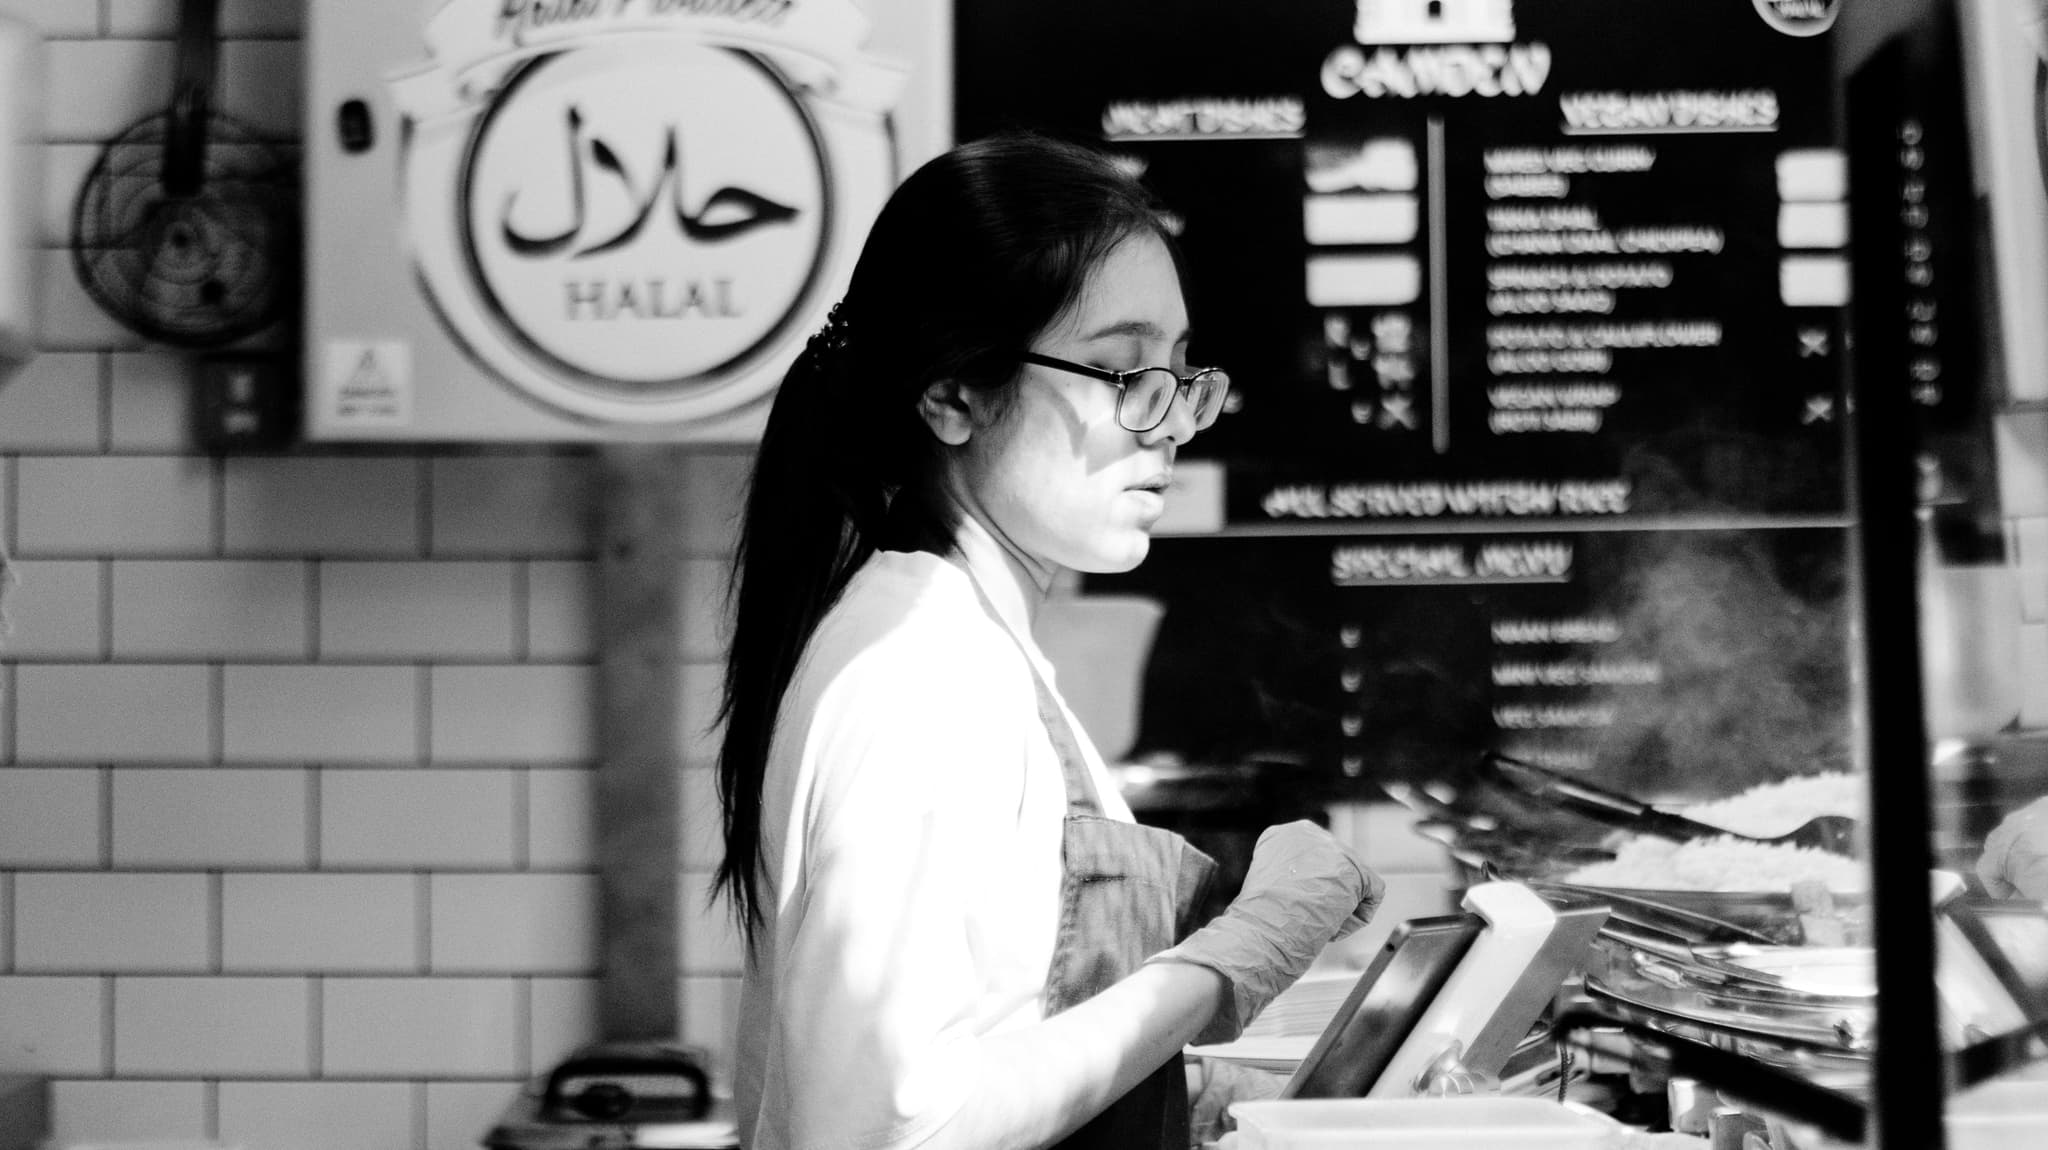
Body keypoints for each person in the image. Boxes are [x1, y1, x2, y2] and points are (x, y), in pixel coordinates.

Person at [713, 131, 1385, 1150]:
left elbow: (1006, 1042)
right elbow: (897, 1126)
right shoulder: (920, 677)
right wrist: (1218, 968)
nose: (1166, 423)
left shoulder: (974, 644)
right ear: (955, 393)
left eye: (1177, 370)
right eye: (1119, 371)